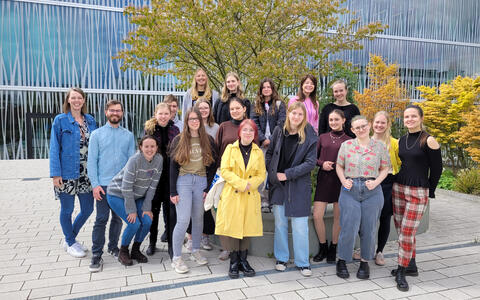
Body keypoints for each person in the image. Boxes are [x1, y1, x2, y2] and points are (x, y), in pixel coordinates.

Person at [391, 105, 442, 292]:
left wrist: (431, 190)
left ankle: (401, 270)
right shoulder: (402, 140)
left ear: (421, 118)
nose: (409, 119)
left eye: (413, 116)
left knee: (406, 232)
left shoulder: (429, 140)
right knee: (401, 229)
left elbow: (437, 169)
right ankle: (411, 264)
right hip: (399, 188)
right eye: (406, 116)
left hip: (418, 191)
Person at [335, 115, 390, 280]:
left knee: (369, 228)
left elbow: (385, 168)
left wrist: (376, 182)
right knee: (348, 227)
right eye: (357, 127)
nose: (361, 129)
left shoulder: (379, 147)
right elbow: (339, 165)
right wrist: (344, 180)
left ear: (369, 125)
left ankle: (365, 261)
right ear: (352, 130)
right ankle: (342, 260)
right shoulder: (346, 145)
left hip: (372, 190)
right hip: (350, 190)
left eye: (363, 126)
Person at [266, 102, 317, 277]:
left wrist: (287, 174)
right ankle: (281, 258)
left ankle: (303, 262)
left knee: (300, 225)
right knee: (280, 223)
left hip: (298, 185)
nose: (296, 117)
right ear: (288, 114)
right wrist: (272, 172)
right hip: (278, 186)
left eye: (300, 115)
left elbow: (310, 163)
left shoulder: (310, 135)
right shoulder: (279, 131)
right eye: (293, 113)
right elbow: (270, 152)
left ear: (304, 117)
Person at [87, 100, 136, 272]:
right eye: (112, 110)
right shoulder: (97, 135)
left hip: (121, 186)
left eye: (118, 110)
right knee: (101, 219)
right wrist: (95, 184)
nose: (115, 113)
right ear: (106, 112)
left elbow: (132, 163)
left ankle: (113, 247)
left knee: (117, 219)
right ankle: (96, 254)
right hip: (103, 186)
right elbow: (91, 161)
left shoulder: (128, 136)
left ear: (122, 113)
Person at [215, 119, 266, 279]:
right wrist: (241, 184)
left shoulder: (258, 152)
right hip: (234, 193)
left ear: (255, 134)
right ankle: (234, 261)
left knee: (247, 229)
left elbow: (261, 174)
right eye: (245, 130)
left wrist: (250, 184)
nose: (248, 133)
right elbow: (225, 170)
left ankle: (244, 261)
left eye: (251, 131)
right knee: (233, 229)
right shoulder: (230, 149)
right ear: (240, 132)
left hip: (250, 194)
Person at [49, 87, 97, 258]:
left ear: (84, 101)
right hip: (67, 173)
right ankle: (70, 242)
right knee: (67, 209)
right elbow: (54, 148)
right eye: (73, 98)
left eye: (80, 98)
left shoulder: (90, 120)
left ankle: (70, 238)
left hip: (87, 174)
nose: (77, 101)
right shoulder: (60, 120)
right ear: (68, 100)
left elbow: (96, 147)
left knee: (87, 209)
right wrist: (55, 174)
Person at [169, 107, 217, 274]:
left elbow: (213, 165)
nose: (194, 122)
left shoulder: (208, 140)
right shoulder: (179, 140)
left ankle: (195, 249)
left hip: (201, 181)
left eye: (197, 119)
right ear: (186, 122)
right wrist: (173, 191)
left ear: (200, 121)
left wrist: (208, 187)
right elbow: (173, 167)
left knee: (198, 218)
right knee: (182, 220)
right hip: (184, 181)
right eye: (191, 119)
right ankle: (176, 258)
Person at [106, 135, 162, 266]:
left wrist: (147, 208)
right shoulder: (135, 160)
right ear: (141, 147)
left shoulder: (159, 160)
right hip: (117, 194)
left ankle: (135, 250)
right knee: (134, 223)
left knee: (147, 221)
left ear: (157, 148)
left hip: (137, 196)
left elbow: (152, 186)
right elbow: (126, 187)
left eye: (152, 146)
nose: (149, 149)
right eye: (146, 146)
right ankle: (123, 251)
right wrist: (131, 210)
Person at [312, 109, 351, 264]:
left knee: (338, 217)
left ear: (343, 120)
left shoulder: (349, 140)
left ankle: (334, 248)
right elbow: (313, 158)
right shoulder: (322, 137)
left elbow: (351, 162)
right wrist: (322, 164)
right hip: (324, 179)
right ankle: (323, 246)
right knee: (317, 215)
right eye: (331, 120)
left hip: (340, 181)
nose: (333, 122)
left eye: (336, 119)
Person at [181, 98, 219, 252]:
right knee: (192, 207)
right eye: (200, 108)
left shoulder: (215, 127)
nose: (203, 110)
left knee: (206, 204)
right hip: (191, 173)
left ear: (210, 110)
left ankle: (204, 236)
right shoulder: (190, 127)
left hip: (208, 172)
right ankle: (190, 237)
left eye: (206, 108)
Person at [144, 103, 180, 258]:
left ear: (171, 114)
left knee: (171, 213)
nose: (164, 116)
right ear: (155, 114)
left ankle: (172, 246)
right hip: (154, 177)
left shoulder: (176, 130)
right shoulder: (149, 130)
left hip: (171, 177)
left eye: (167, 113)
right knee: (154, 212)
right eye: (161, 114)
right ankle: (152, 243)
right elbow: (146, 152)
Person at [251, 78, 287, 212]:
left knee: (273, 172)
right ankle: (263, 201)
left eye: (268, 87)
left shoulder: (279, 104)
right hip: (261, 145)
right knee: (261, 173)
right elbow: (253, 122)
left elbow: (281, 122)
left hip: (276, 144)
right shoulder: (256, 105)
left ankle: (273, 199)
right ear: (261, 90)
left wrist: (271, 140)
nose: (266, 89)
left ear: (272, 89)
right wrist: (262, 139)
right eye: (264, 87)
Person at [371, 111, 401, 266]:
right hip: (369, 183)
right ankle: (366, 248)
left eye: (383, 122)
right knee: (367, 219)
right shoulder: (365, 141)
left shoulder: (394, 143)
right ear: (372, 123)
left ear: (388, 124)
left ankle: (380, 251)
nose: (379, 125)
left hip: (388, 183)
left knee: (384, 218)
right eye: (377, 122)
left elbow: (401, 164)